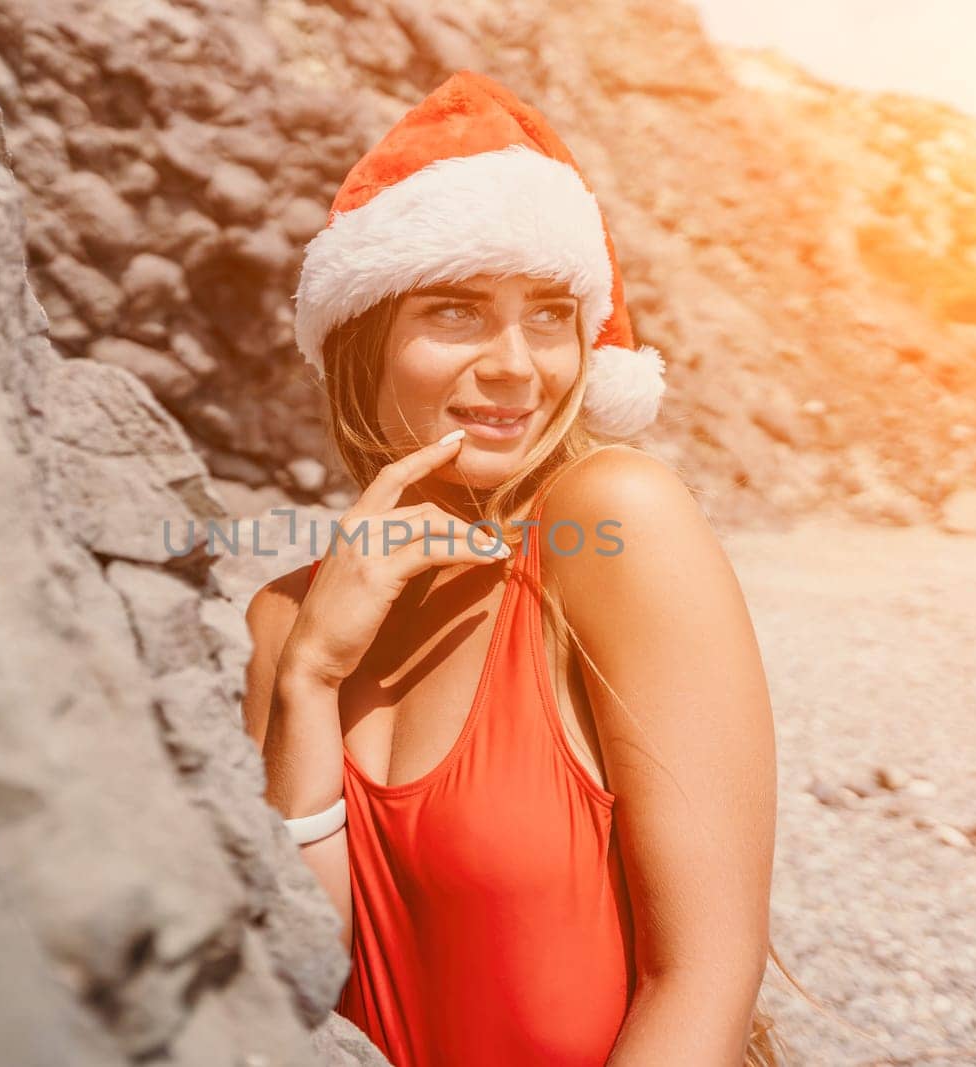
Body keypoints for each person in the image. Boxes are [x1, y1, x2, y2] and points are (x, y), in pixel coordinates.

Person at [242, 69, 792, 1066]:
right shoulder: (287, 617)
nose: (516, 364)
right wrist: (313, 675)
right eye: (454, 311)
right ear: (362, 341)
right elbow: (301, 974)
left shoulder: (615, 521)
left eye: (547, 314)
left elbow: (704, 976)